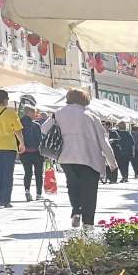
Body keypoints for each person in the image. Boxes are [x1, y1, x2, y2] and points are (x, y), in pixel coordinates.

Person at [42, 89, 117, 229]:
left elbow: (44, 128)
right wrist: (112, 162)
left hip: (66, 156)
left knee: (73, 185)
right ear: (85, 100)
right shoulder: (90, 115)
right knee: (89, 191)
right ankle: (88, 223)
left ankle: (76, 211)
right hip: (89, 158)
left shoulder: (58, 113)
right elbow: (103, 141)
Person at [18, 104, 45, 201]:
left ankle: (27, 190)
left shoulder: (18, 123)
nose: (36, 114)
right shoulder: (36, 125)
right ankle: (38, 194)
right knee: (38, 173)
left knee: (27, 172)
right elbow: (40, 140)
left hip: (24, 152)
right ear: (29, 112)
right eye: (34, 112)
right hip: (37, 153)